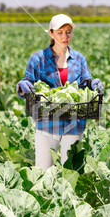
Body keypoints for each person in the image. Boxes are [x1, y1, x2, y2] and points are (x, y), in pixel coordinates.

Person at [16, 14, 103, 170]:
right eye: (60, 32)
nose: (65, 36)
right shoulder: (38, 59)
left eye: (68, 32)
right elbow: (28, 82)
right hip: (47, 124)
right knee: (43, 171)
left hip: (74, 124)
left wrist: (92, 84)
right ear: (51, 33)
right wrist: (23, 86)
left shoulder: (79, 59)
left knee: (71, 172)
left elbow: (85, 82)